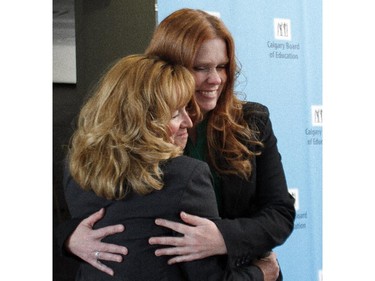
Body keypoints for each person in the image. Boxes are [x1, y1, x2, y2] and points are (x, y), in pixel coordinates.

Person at [56, 8, 295, 281]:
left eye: (222, 66)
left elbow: (280, 212)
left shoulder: (253, 120)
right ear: (169, 67)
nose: (215, 79)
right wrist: (70, 238)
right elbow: (116, 208)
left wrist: (222, 237)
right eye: (201, 67)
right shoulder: (126, 134)